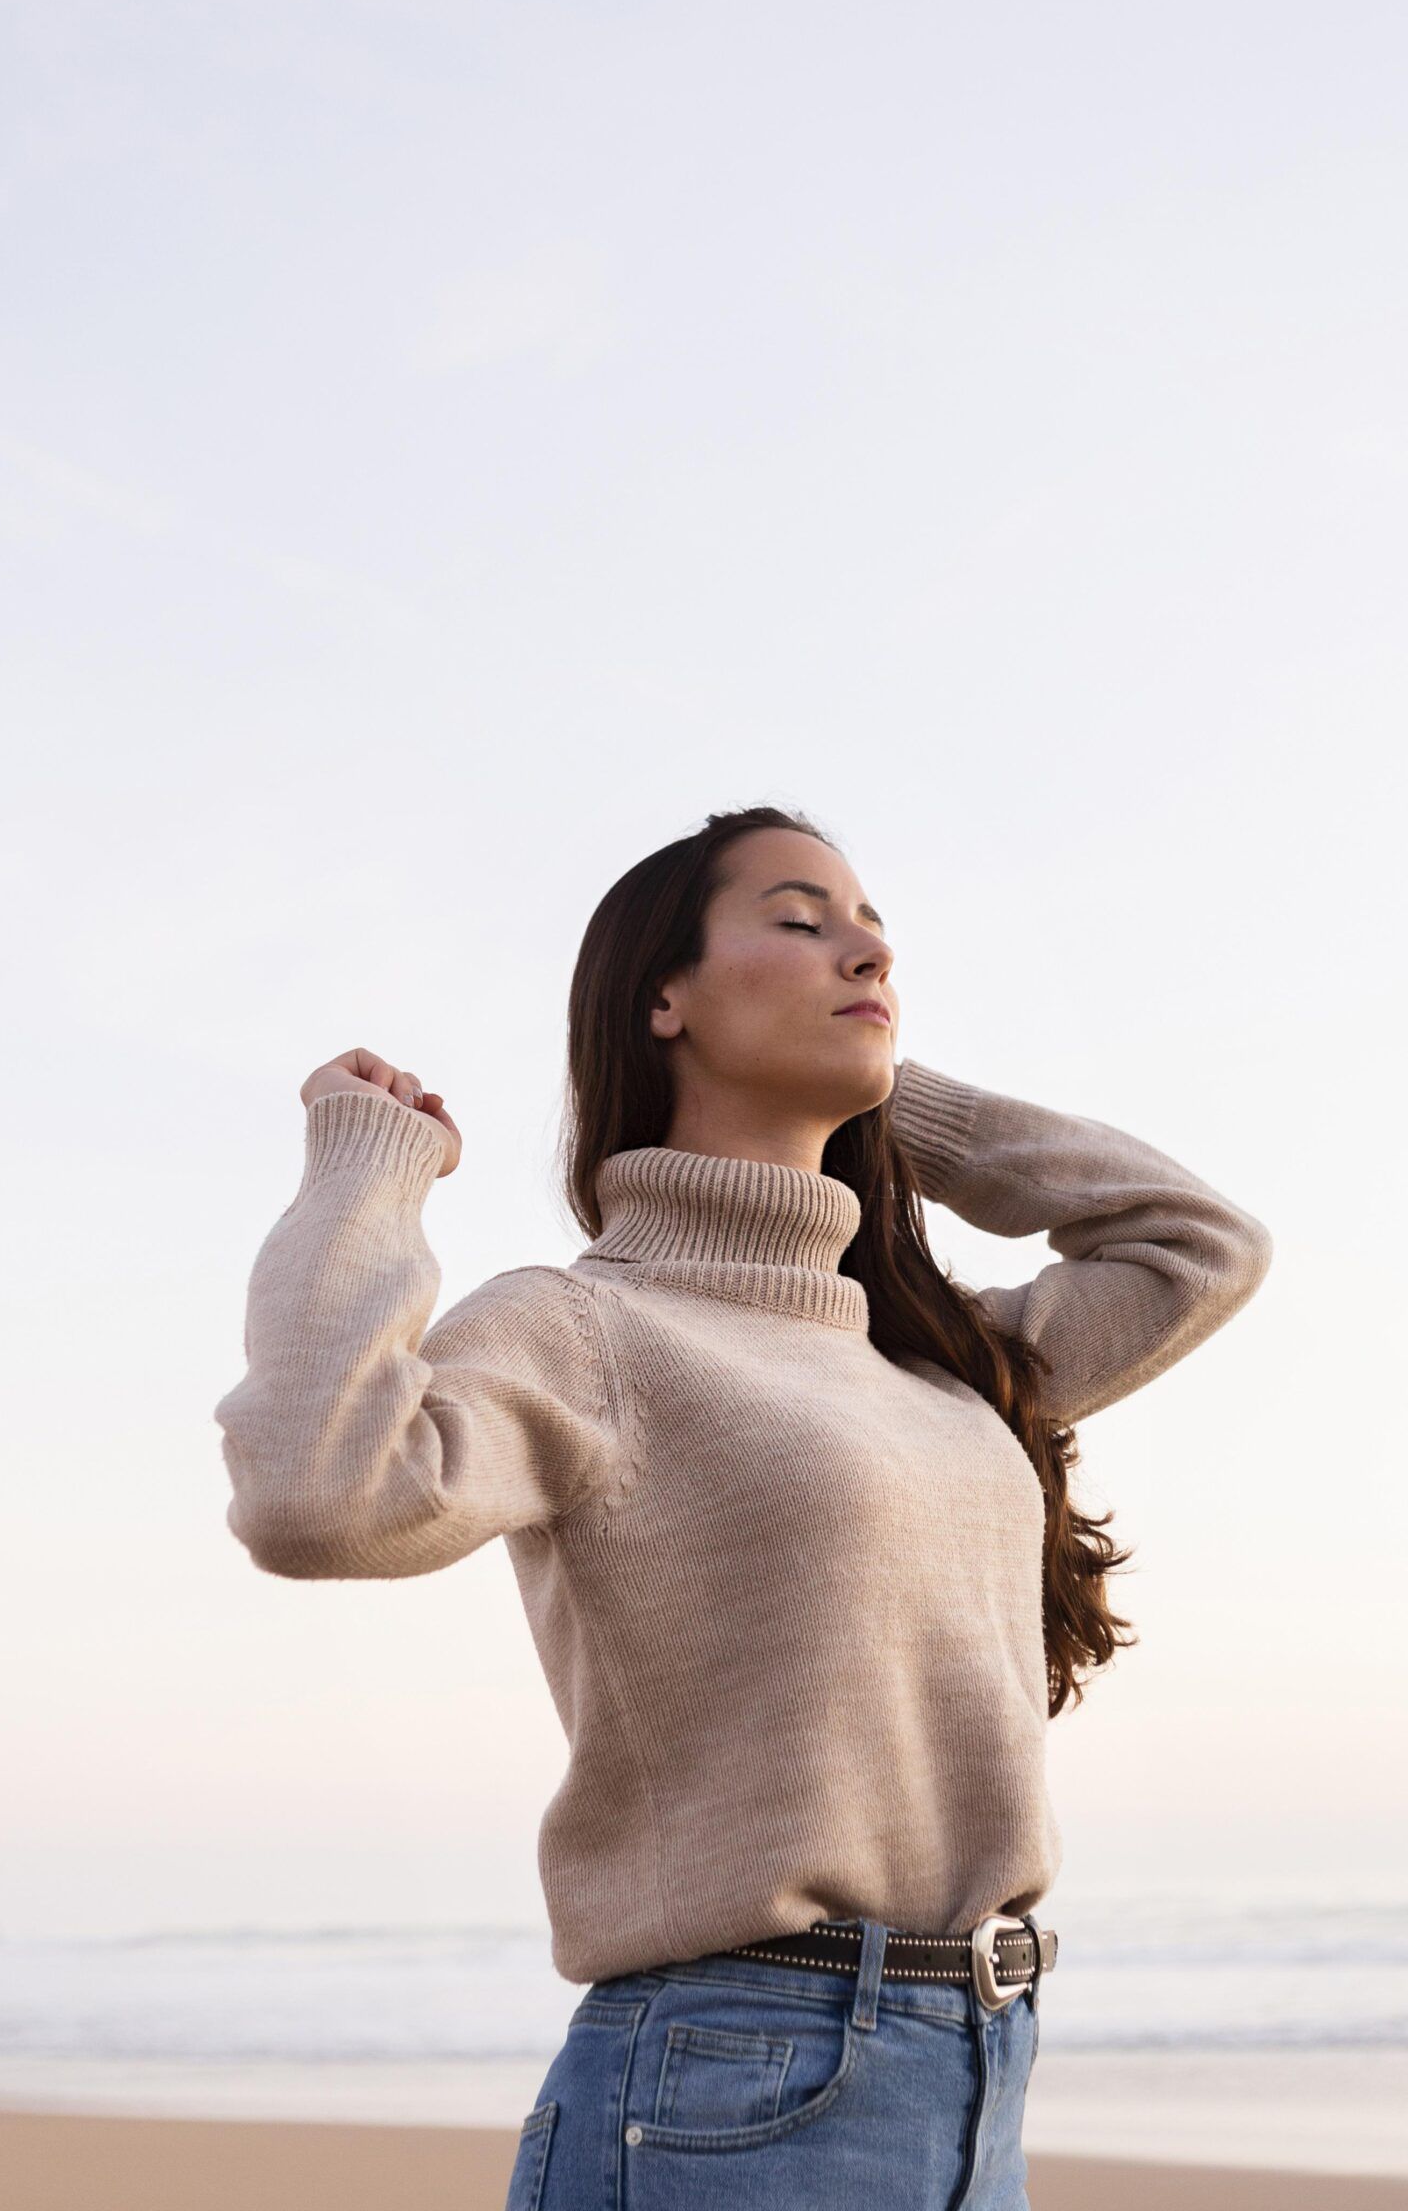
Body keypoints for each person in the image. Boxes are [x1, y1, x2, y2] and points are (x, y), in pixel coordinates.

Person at [213, 803, 1273, 2210]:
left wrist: (900, 1100)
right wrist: (367, 1176)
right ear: (664, 998)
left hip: (976, 2072)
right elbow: (313, 1493)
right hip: (739, 2081)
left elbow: (1197, 1245)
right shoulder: (590, 1330)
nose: (864, 949)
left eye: (874, 931)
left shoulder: (931, 1357)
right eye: (800, 918)